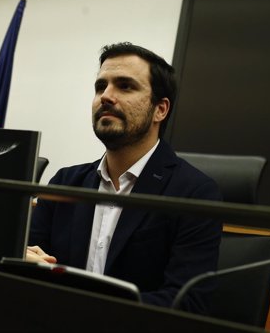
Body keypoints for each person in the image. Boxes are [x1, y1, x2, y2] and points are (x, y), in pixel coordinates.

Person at [27, 42, 222, 313]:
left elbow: (186, 302)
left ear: (160, 110)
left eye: (125, 86)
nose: (106, 96)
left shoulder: (195, 192)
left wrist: (87, 307)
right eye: (100, 87)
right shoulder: (65, 182)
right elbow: (29, 262)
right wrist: (24, 260)